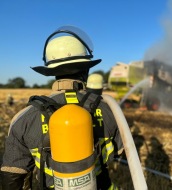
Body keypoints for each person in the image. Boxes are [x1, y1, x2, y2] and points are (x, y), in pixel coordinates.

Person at [1, 26, 123, 190]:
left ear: (51, 71)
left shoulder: (24, 118)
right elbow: (122, 152)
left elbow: (13, 177)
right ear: (85, 69)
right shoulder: (110, 109)